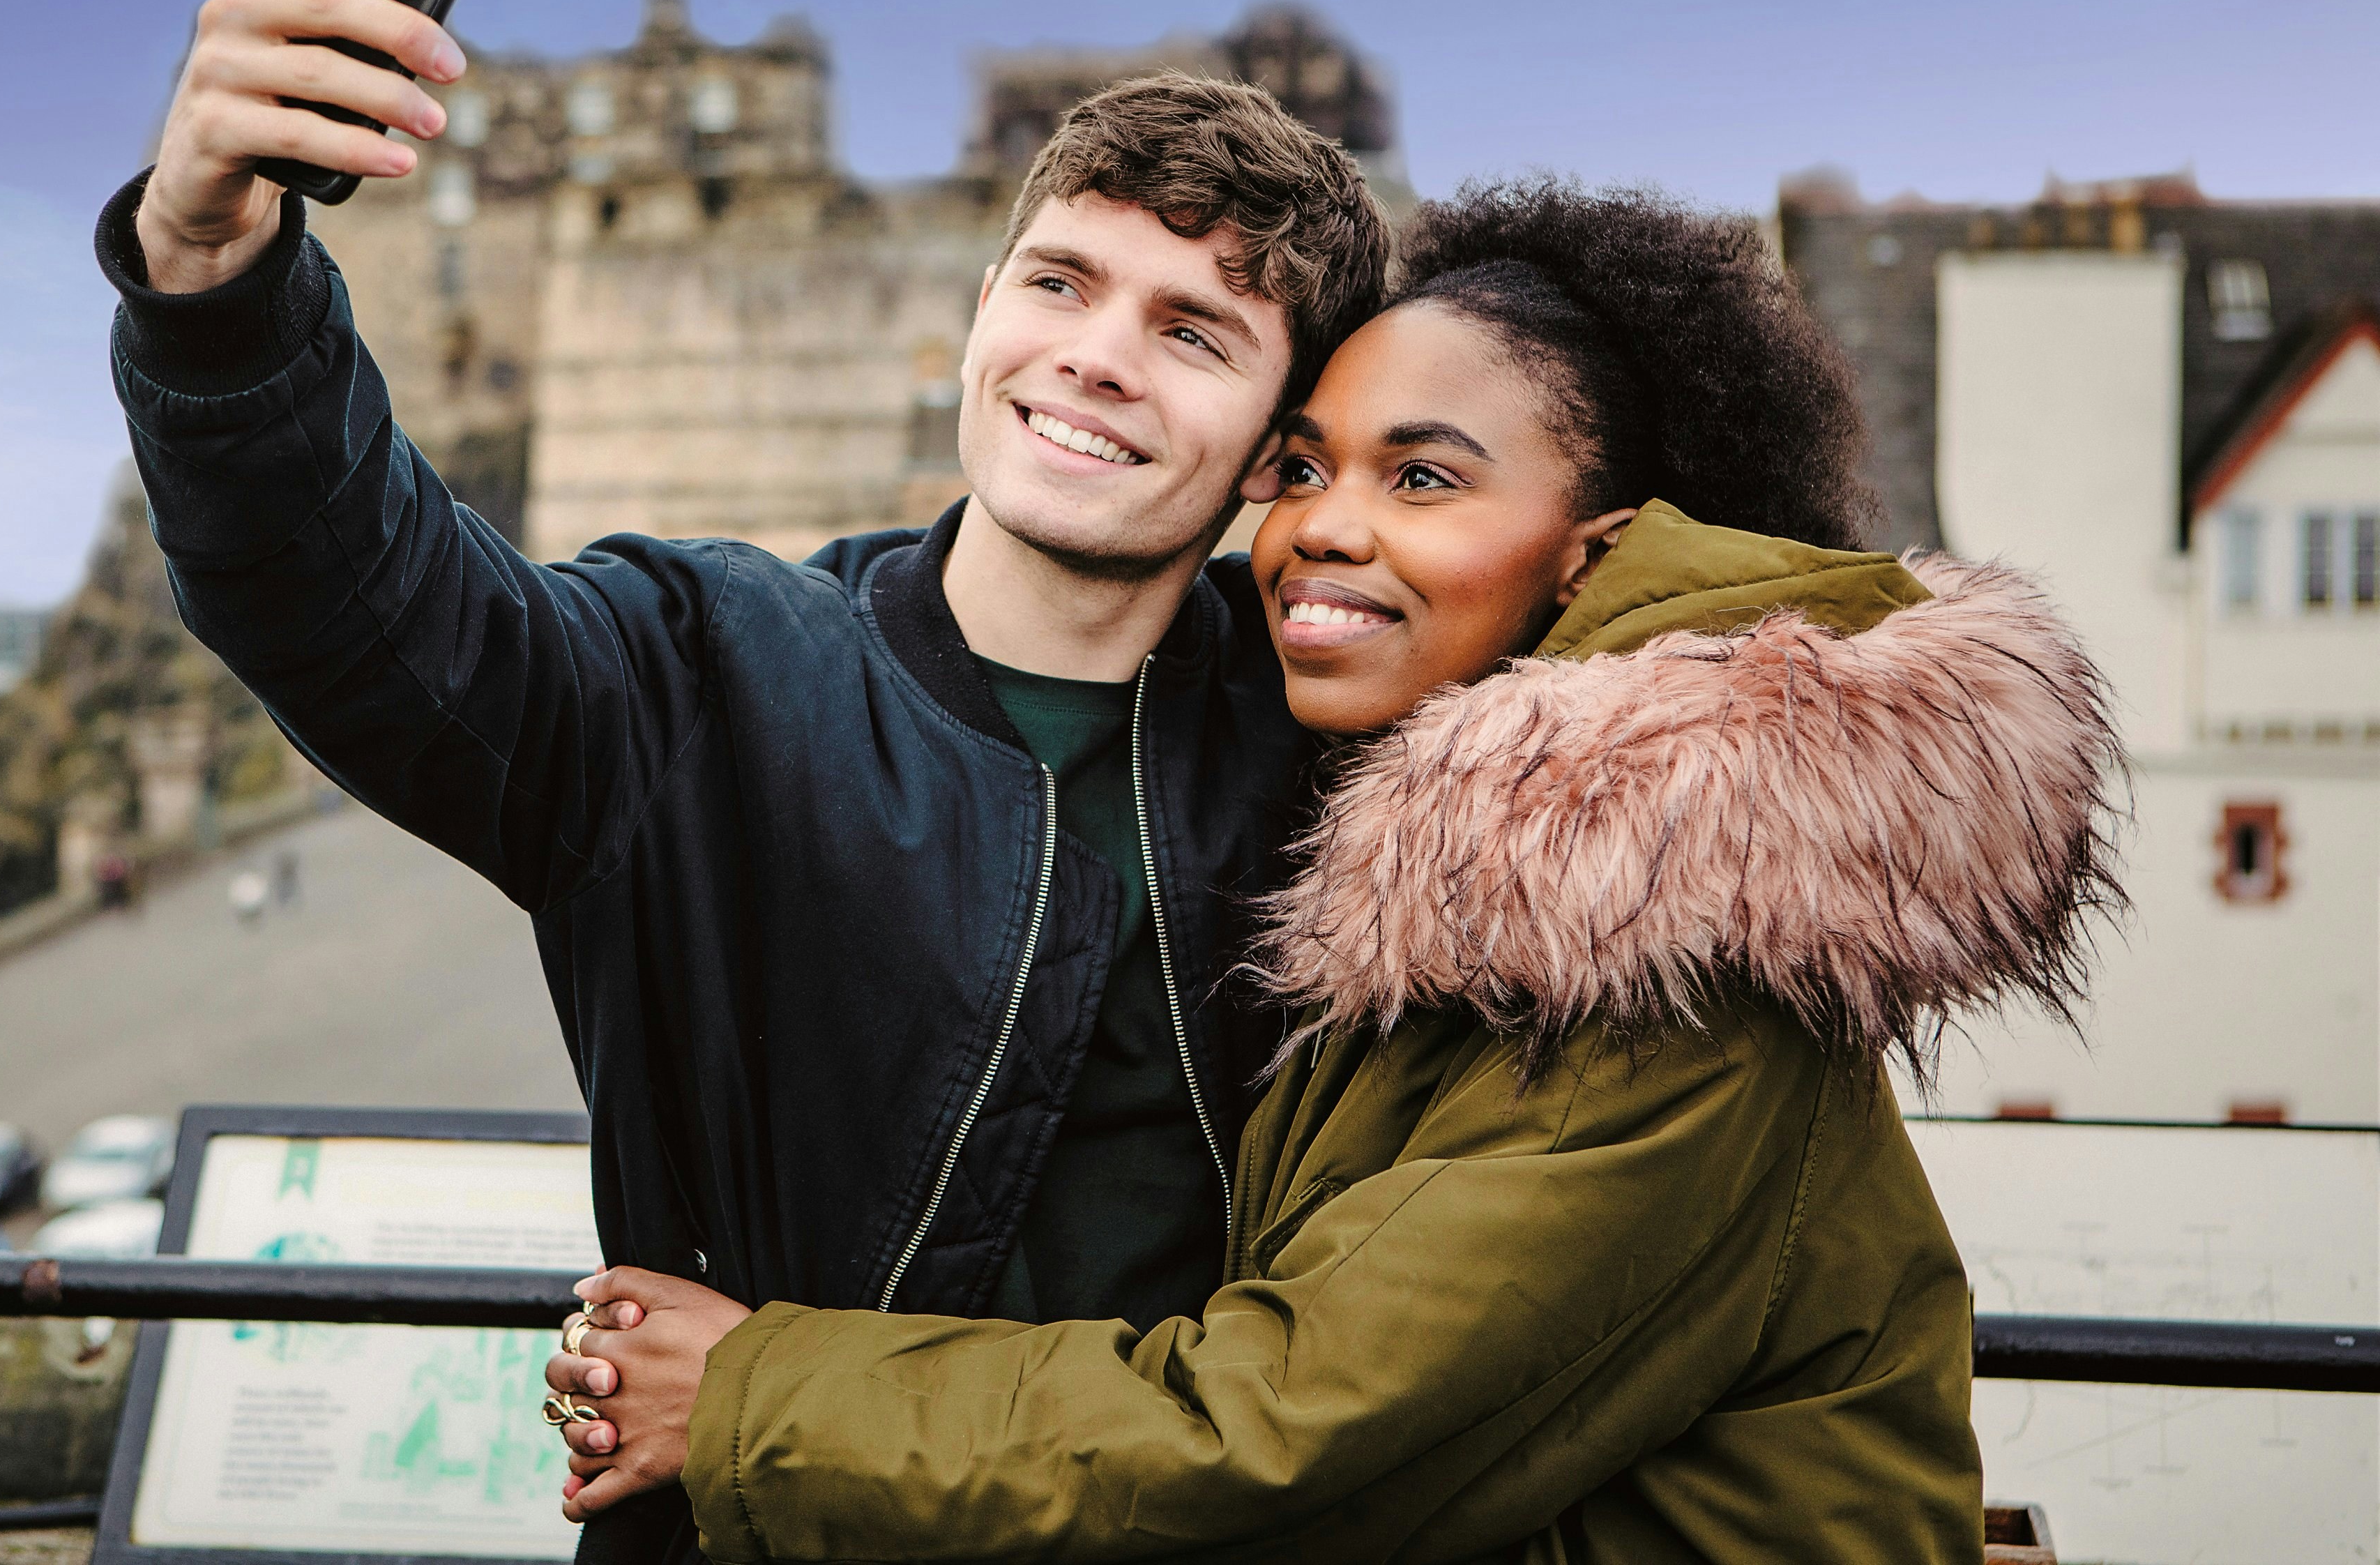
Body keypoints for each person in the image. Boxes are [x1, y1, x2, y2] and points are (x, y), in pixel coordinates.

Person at [544, 179, 2124, 1562]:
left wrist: (748, 1396)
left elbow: (1296, 1435)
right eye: (1300, 470)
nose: (1320, 533)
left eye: (1422, 479)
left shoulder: (1673, 930)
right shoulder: (1484, 853)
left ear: (1595, 551)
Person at [99, 0, 1390, 1559]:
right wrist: (212, 268)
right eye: (1062, 282)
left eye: (1190, 331)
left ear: (1282, 451)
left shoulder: (1342, 753)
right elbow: (349, 599)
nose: (1095, 357)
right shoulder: (702, 669)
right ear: (983, 305)